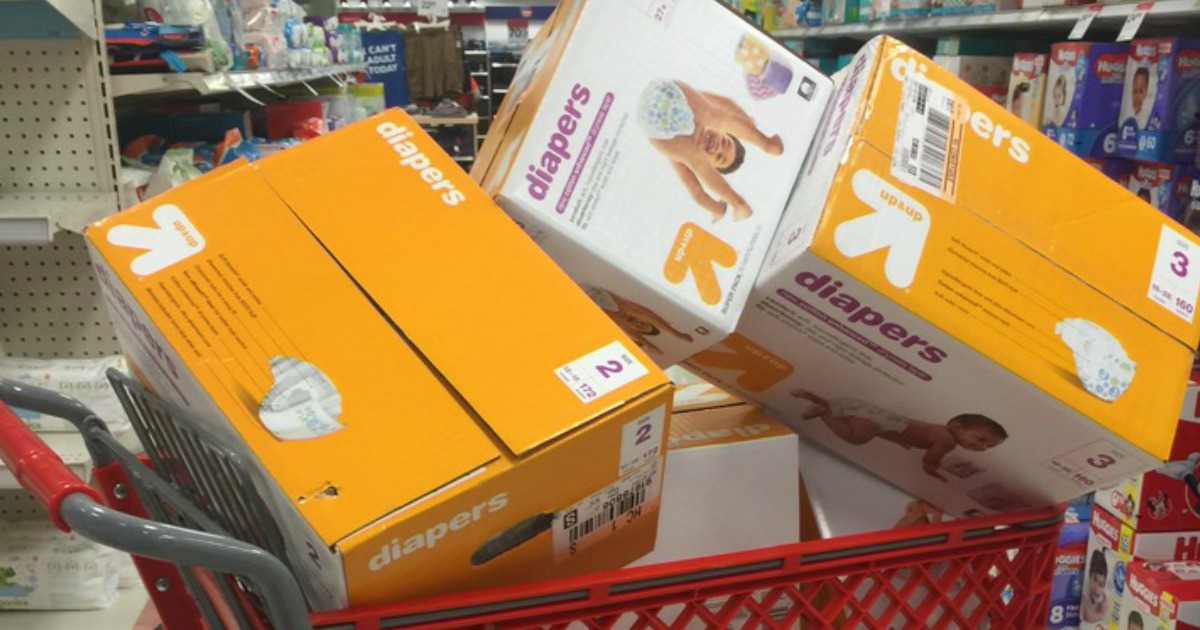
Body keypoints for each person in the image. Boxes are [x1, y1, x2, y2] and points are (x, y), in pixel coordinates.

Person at [638, 79, 783, 222]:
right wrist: (748, 123)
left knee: (697, 151)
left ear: (711, 170)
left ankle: (739, 201)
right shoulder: (702, 116)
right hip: (666, 96)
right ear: (726, 133)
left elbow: (697, 193)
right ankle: (765, 144)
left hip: (654, 124)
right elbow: (727, 104)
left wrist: (717, 208)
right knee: (716, 118)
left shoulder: (682, 155)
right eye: (725, 141)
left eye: (719, 157)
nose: (718, 147)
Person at [790, 390, 1007, 482]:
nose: (981, 448)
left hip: (881, 418)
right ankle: (823, 412)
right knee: (855, 437)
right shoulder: (947, 441)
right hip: (882, 423)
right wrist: (933, 470)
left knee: (847, 418)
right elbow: (930, 459)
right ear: (956, 426)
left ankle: (817, 401)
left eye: (988, 446)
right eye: (980, 440)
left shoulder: (941, 430)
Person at [599, 291, 692, 356]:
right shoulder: (627, 307)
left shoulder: (615, 319)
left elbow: (626, 328)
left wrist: (647, 344)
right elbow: (649, 315)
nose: (638, 324)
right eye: (643, 323)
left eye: (639, 327)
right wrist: (676, 333)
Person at [1082, 550, 1109, 623]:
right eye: (1095, 580)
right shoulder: (1085, 591)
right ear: (1089, 575)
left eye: (1101, 584)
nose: (1096, 588)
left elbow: (1105, 605)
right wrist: (1102, 615)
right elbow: (1088, 617)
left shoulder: (1104, 597)